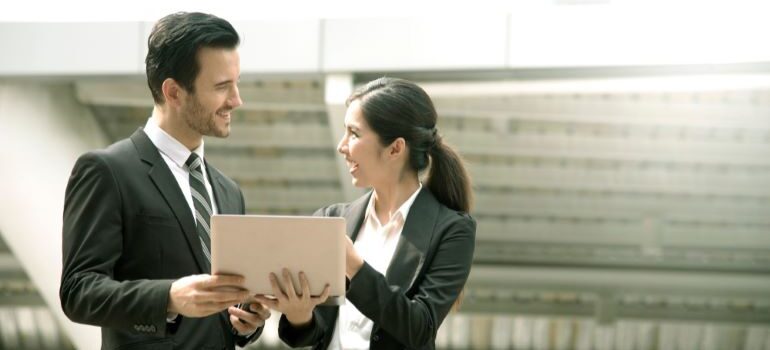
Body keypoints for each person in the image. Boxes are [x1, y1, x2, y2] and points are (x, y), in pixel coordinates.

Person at [60, 12, 269, 349]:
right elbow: (78, 291)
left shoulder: (230, 193)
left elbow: (225, 313)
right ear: (173, 91)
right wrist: (168, 297)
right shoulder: (107, 171)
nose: (236, 100)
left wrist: (245, 323)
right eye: (221, 86)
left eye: (236, 82)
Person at [256, 77, 476, 350]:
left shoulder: (451, 230)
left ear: (395, 148)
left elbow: (420, 328)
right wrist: (300, 315)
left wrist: (354, 266)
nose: (342, 146)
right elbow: (312, 335)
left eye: (354, 133)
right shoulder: (331, 219)